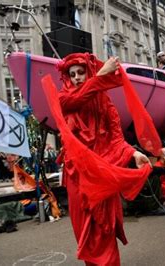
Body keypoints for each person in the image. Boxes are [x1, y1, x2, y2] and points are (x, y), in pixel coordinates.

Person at [47, 53, 153, 265]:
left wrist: (134, 153)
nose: (77, 77)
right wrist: (101, 76)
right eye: (72, 74)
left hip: (101, 173)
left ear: (88, 72)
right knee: (83, 232)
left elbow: (116, 138)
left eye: (81, 72)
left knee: (104, 228)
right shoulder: (63, 98)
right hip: (77, 177)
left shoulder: (105, 103)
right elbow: (75, 100)